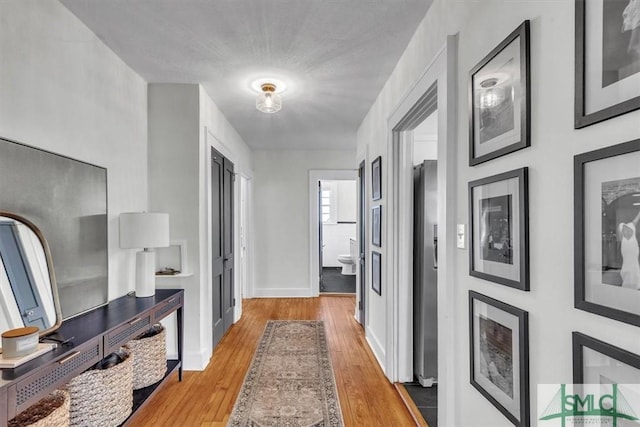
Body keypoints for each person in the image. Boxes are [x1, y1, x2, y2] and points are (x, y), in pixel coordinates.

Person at [619, 209, 640, 289]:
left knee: (629, 263)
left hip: (628, 247)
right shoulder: (631, 224)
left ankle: (629, 283)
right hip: (631, 247)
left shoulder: (622, 226)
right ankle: (634, 284)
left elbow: (621, 238)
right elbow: (638, 217)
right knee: (632, 264)